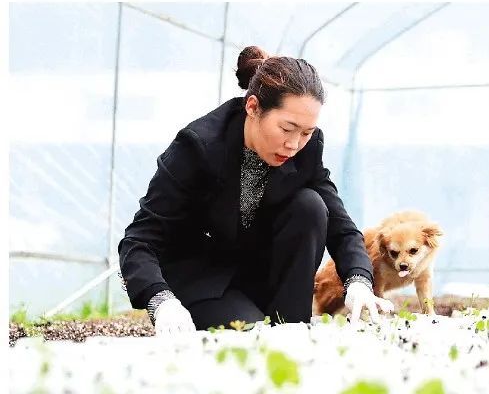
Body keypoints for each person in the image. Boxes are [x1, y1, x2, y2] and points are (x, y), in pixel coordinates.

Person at [118, 45, 393, 335]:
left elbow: (339, 224)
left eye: (306, 132)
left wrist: (359, 282)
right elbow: (139, 239)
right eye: (286, 129)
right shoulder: (197, 147)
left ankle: (293, 328)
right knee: (249, 334)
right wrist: (160, 300)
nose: (294, 144)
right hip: (202, 277)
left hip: (259, 274)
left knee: (310, 206)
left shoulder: (306, 148)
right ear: (252, 107)